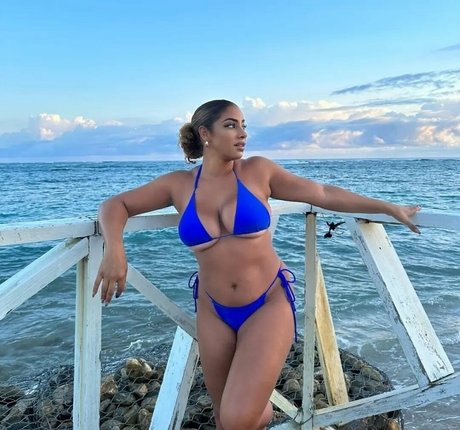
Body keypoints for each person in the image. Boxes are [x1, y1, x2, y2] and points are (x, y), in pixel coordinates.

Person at [92, 99, 420, 430]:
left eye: (243, 125)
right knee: (224, 419)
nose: (242, 134)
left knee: (237, 419)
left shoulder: (258, 171)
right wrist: (114, 250)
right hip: (213, 309)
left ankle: (263, 412)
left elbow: (321, 192)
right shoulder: (178, 185)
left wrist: (387, 207)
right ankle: (257, 412)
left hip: (267, 302)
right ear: (205, 134)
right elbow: (115, 205)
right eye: (231, 125)